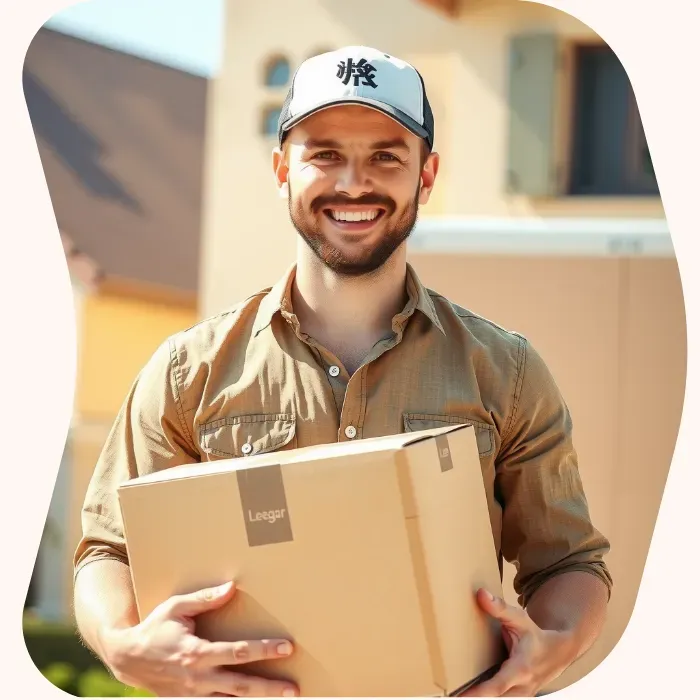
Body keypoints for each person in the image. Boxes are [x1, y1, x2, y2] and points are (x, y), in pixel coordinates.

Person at [72, 46, 612, 698]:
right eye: (324, 154)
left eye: (386, 156)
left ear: (427, 174)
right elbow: (108, 551)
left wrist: (550, 650)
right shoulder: (189, 371)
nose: (354, 183)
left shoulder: (508, 373)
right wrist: (123, 646)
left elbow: (571, 563)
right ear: (282, 170)